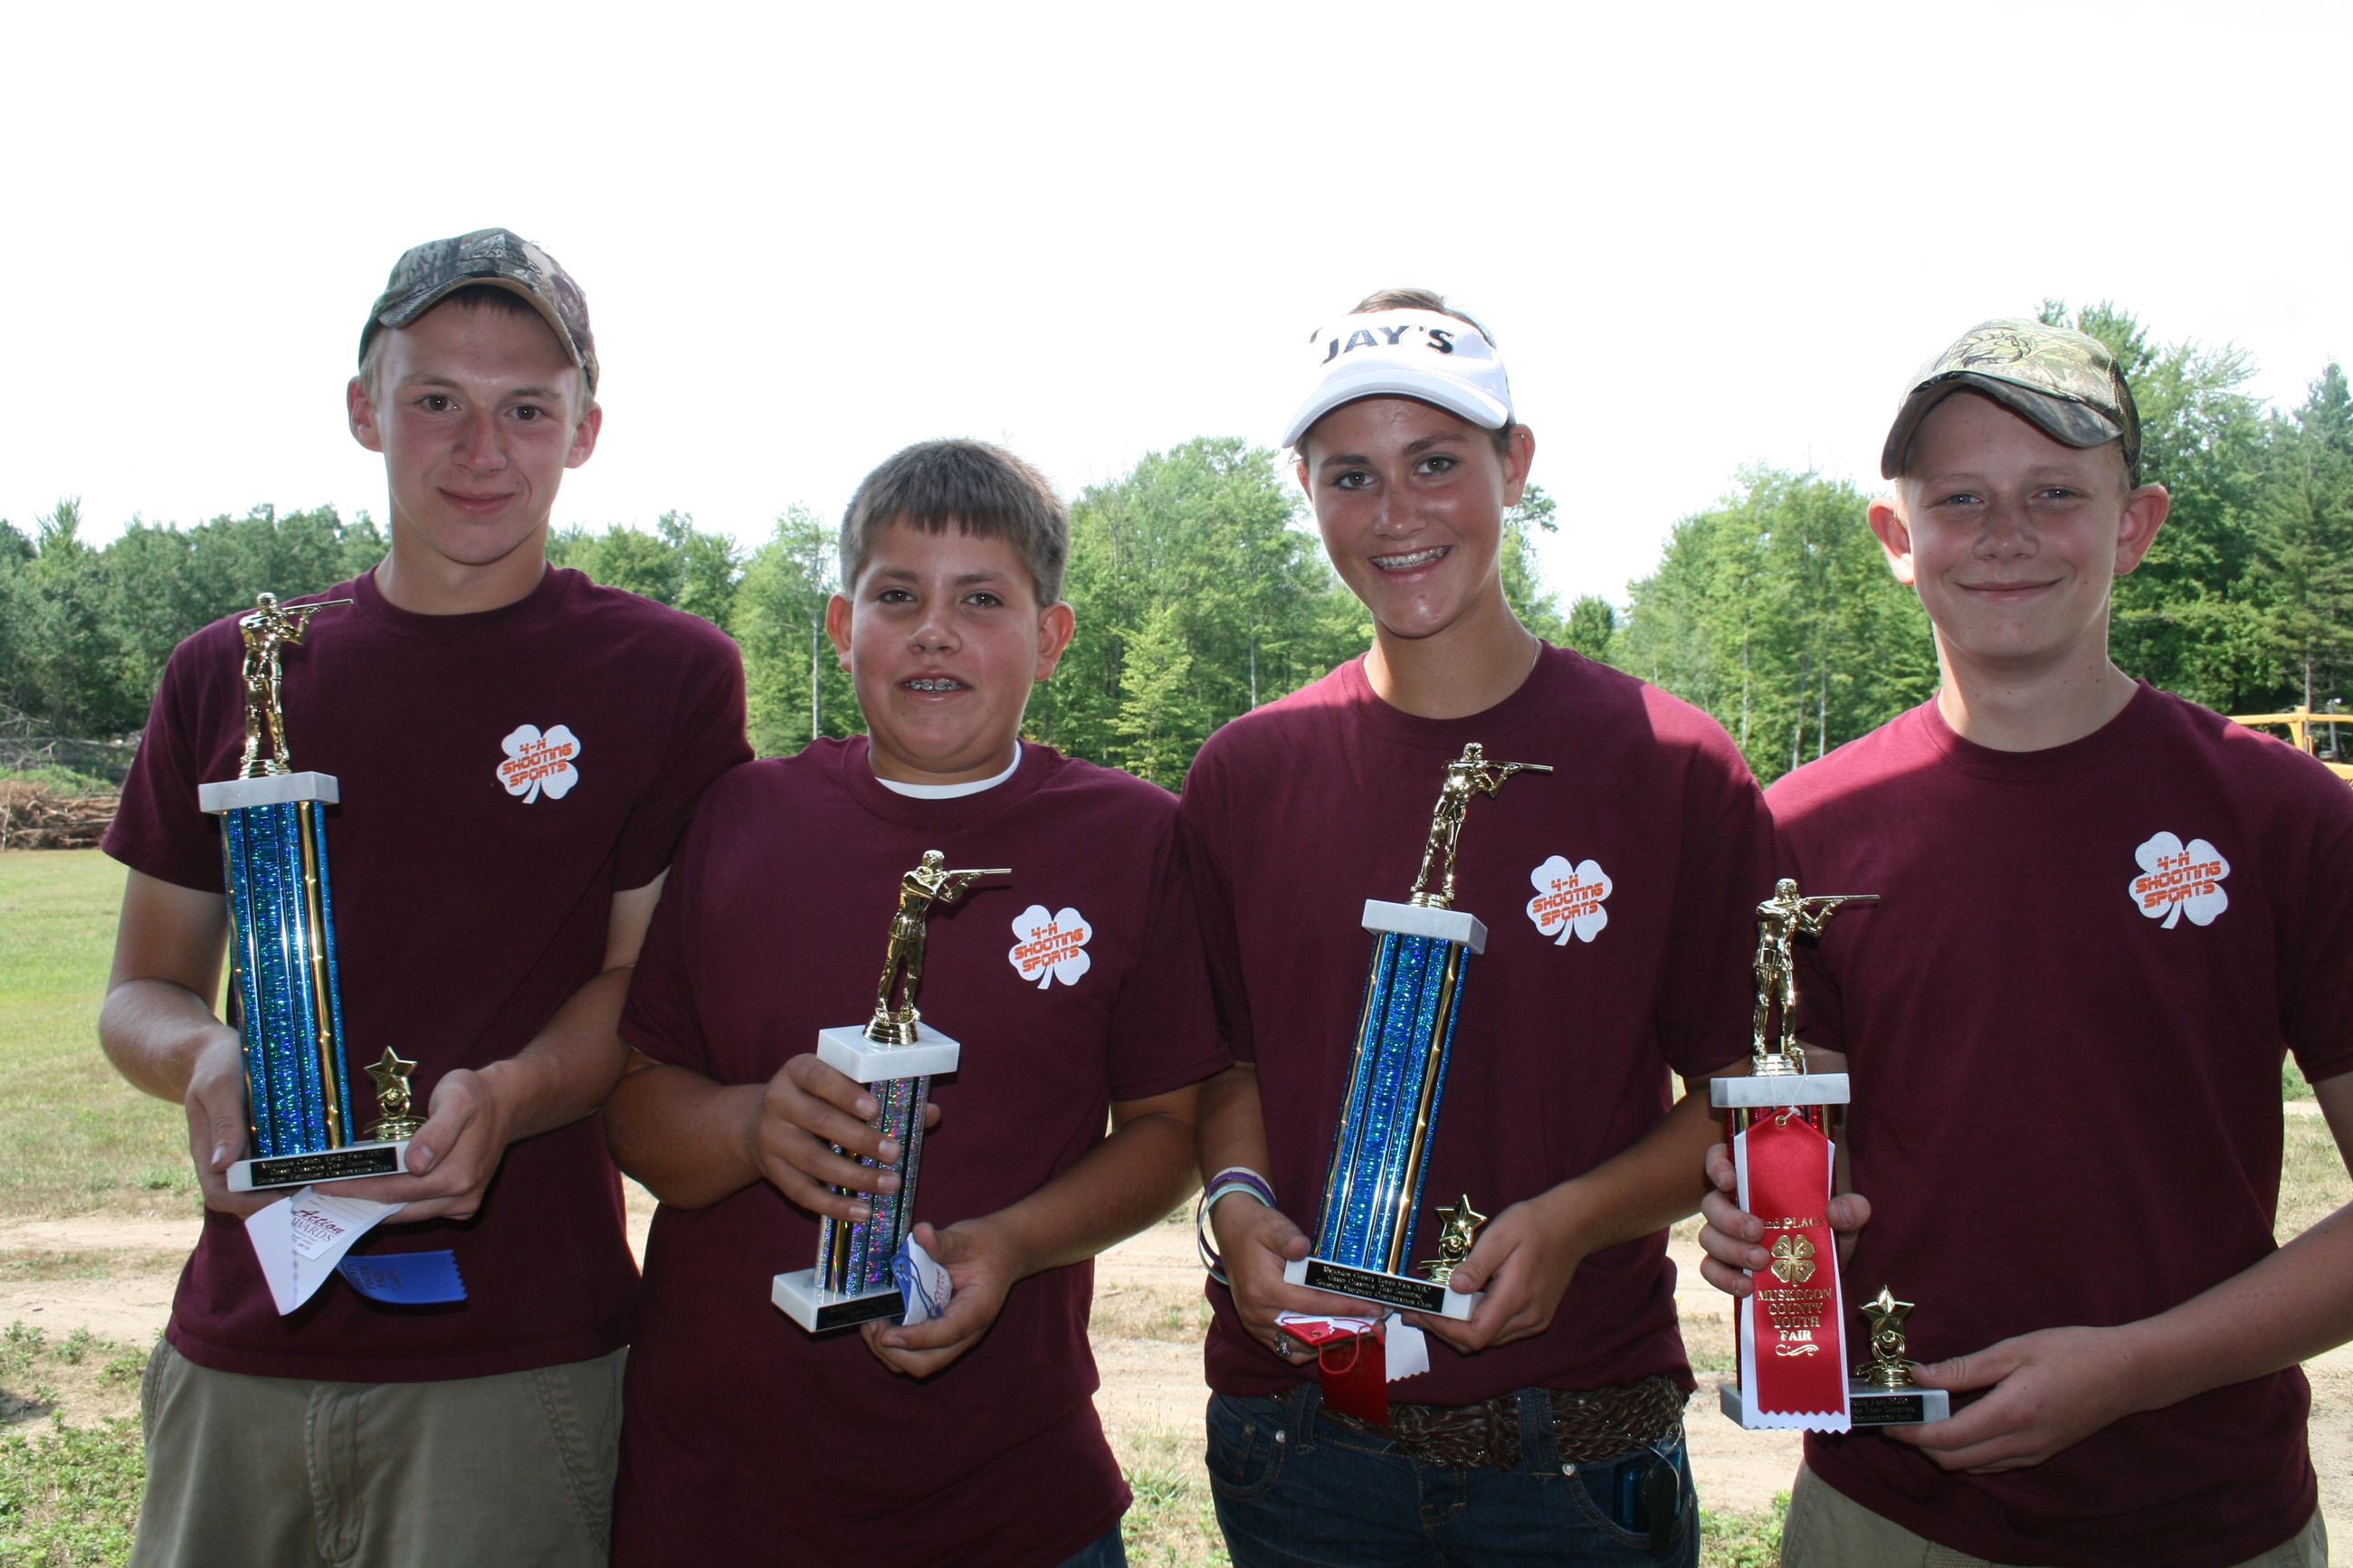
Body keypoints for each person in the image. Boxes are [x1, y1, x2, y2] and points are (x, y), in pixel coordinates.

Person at [98, 228, 750, 1567]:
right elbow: (139, 991)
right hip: (241, 1345)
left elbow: (642, 988)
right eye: (435, 400)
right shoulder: (227, 674)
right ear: (361, 409)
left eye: (526, 408)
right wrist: (208, 1053)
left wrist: (508, 1097)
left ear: (586, 432)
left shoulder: (664, 674)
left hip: (517, 1361)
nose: (480, 448)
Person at [1697, 318, 2353, 1567]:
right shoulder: (1802, 831)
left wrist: (2137, 1369)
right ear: (1898, 538)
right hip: (1886, 1517)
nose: (2005, 534)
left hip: (2208, 1519)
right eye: (1961, 499)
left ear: (2136, 524)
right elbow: (1794, 1149)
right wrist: (1754, 1222)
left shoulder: (2280, 816)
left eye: (2056, 493)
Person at [1184, 290, 1777, 1565]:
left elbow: (1742, 1088)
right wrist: (1235, 1209)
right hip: (1299, 1444)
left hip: (1572, 1448)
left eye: (1438, 462)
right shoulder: (1246, 771)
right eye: (1353, 475)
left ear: (1517, 464)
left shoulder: (1671, 763)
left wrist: (1576, 1219)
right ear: (1306, 488)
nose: (1397, 514)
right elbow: (1225, 1061)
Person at [603, 438, 1229, 1567]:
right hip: (721, 1492)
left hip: (1008, 1499)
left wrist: (1015, 1242)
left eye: (981, 598)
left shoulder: (1133, 838)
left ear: (1049, 636)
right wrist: (752, 1126)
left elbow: (1167, 1132)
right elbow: (637, 1103)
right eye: (898, 595)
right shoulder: (741, 817)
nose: (935, 629)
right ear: (844, 628)